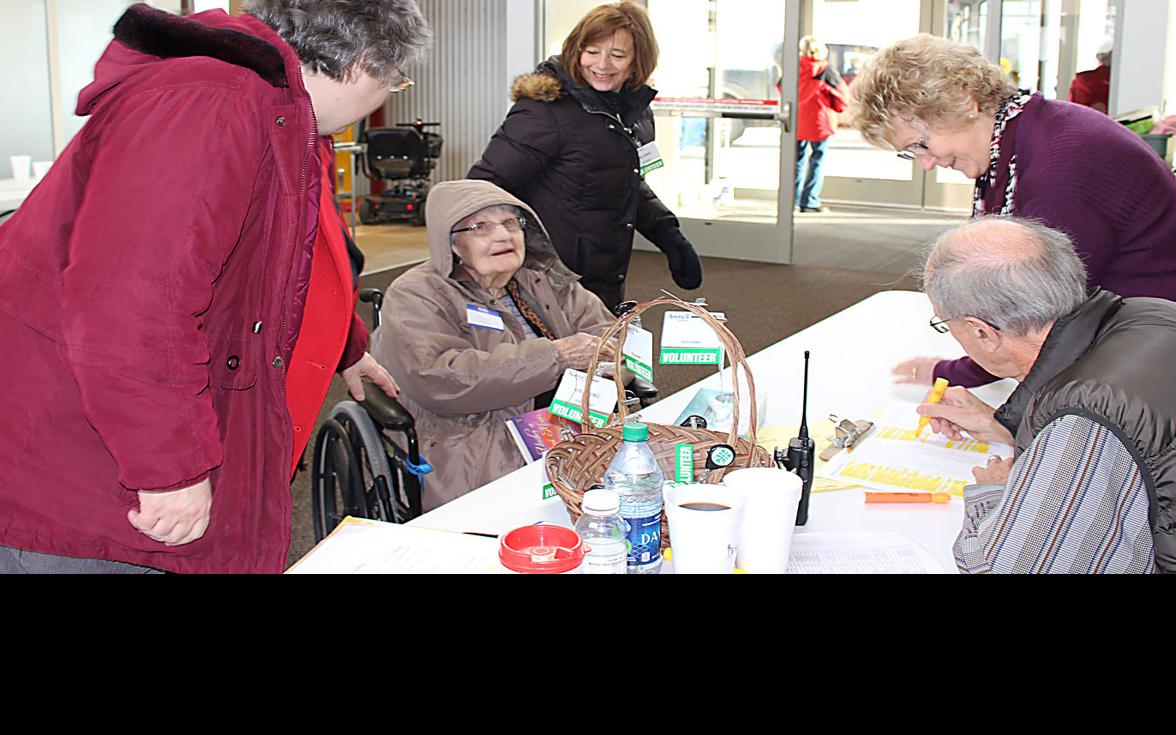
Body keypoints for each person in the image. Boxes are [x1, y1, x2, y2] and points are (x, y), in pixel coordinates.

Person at [0, 0, 426, 574]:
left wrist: (344, 347)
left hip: (118, 431)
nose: (388, 93)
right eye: (394, 79)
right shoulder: (211, 102)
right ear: (363, 63)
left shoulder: (273, 110)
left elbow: (276, 267)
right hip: (86, 468)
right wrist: (169, 470)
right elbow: (130, 305)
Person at [851, 34, 1176, 439]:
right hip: (1139, 341)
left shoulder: (1060, 164)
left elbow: (1047, 317)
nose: (926, 164)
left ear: (963, 101)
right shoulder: (1023, 139)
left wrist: (1005, 420)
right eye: (912, 152)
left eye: (923, 144)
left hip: (1167, 359)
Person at [916, 217, 1176, 574]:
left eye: (945, 323)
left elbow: (1002, 568)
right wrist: (1004, 426)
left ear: (982, 332)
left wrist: (997, 494)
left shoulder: (1083, 424)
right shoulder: (1151, 313)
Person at [372, 180, 618, 511]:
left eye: (509, 223)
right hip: (470, 432)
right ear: (453, 244)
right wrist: (556, 357)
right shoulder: (415, 295)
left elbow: (611, 336)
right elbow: (440, 378)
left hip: (564, 421)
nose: (502, 235)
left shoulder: (542, 278)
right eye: (481, 227)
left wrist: (604, 369)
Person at [467, 1, 702, 311]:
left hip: (603, 275)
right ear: (575, 51)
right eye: (592, 51)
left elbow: (621, 179)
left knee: (599, 355)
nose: (602, 64)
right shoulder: (545, 111)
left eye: (617, 55)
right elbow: (483, 187)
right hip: (550, 282)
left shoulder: (633, 111)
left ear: (637, 62)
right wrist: (507, 254)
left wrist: (667, 233)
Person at [791, 35, 849, 213]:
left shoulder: (793, 68)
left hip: (797, 122)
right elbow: (842, 96)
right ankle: (809, 201)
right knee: (816, 160)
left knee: (796, 162)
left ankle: (790, 201)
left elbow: (781, 87)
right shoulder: (825, 71)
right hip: (819, 124)